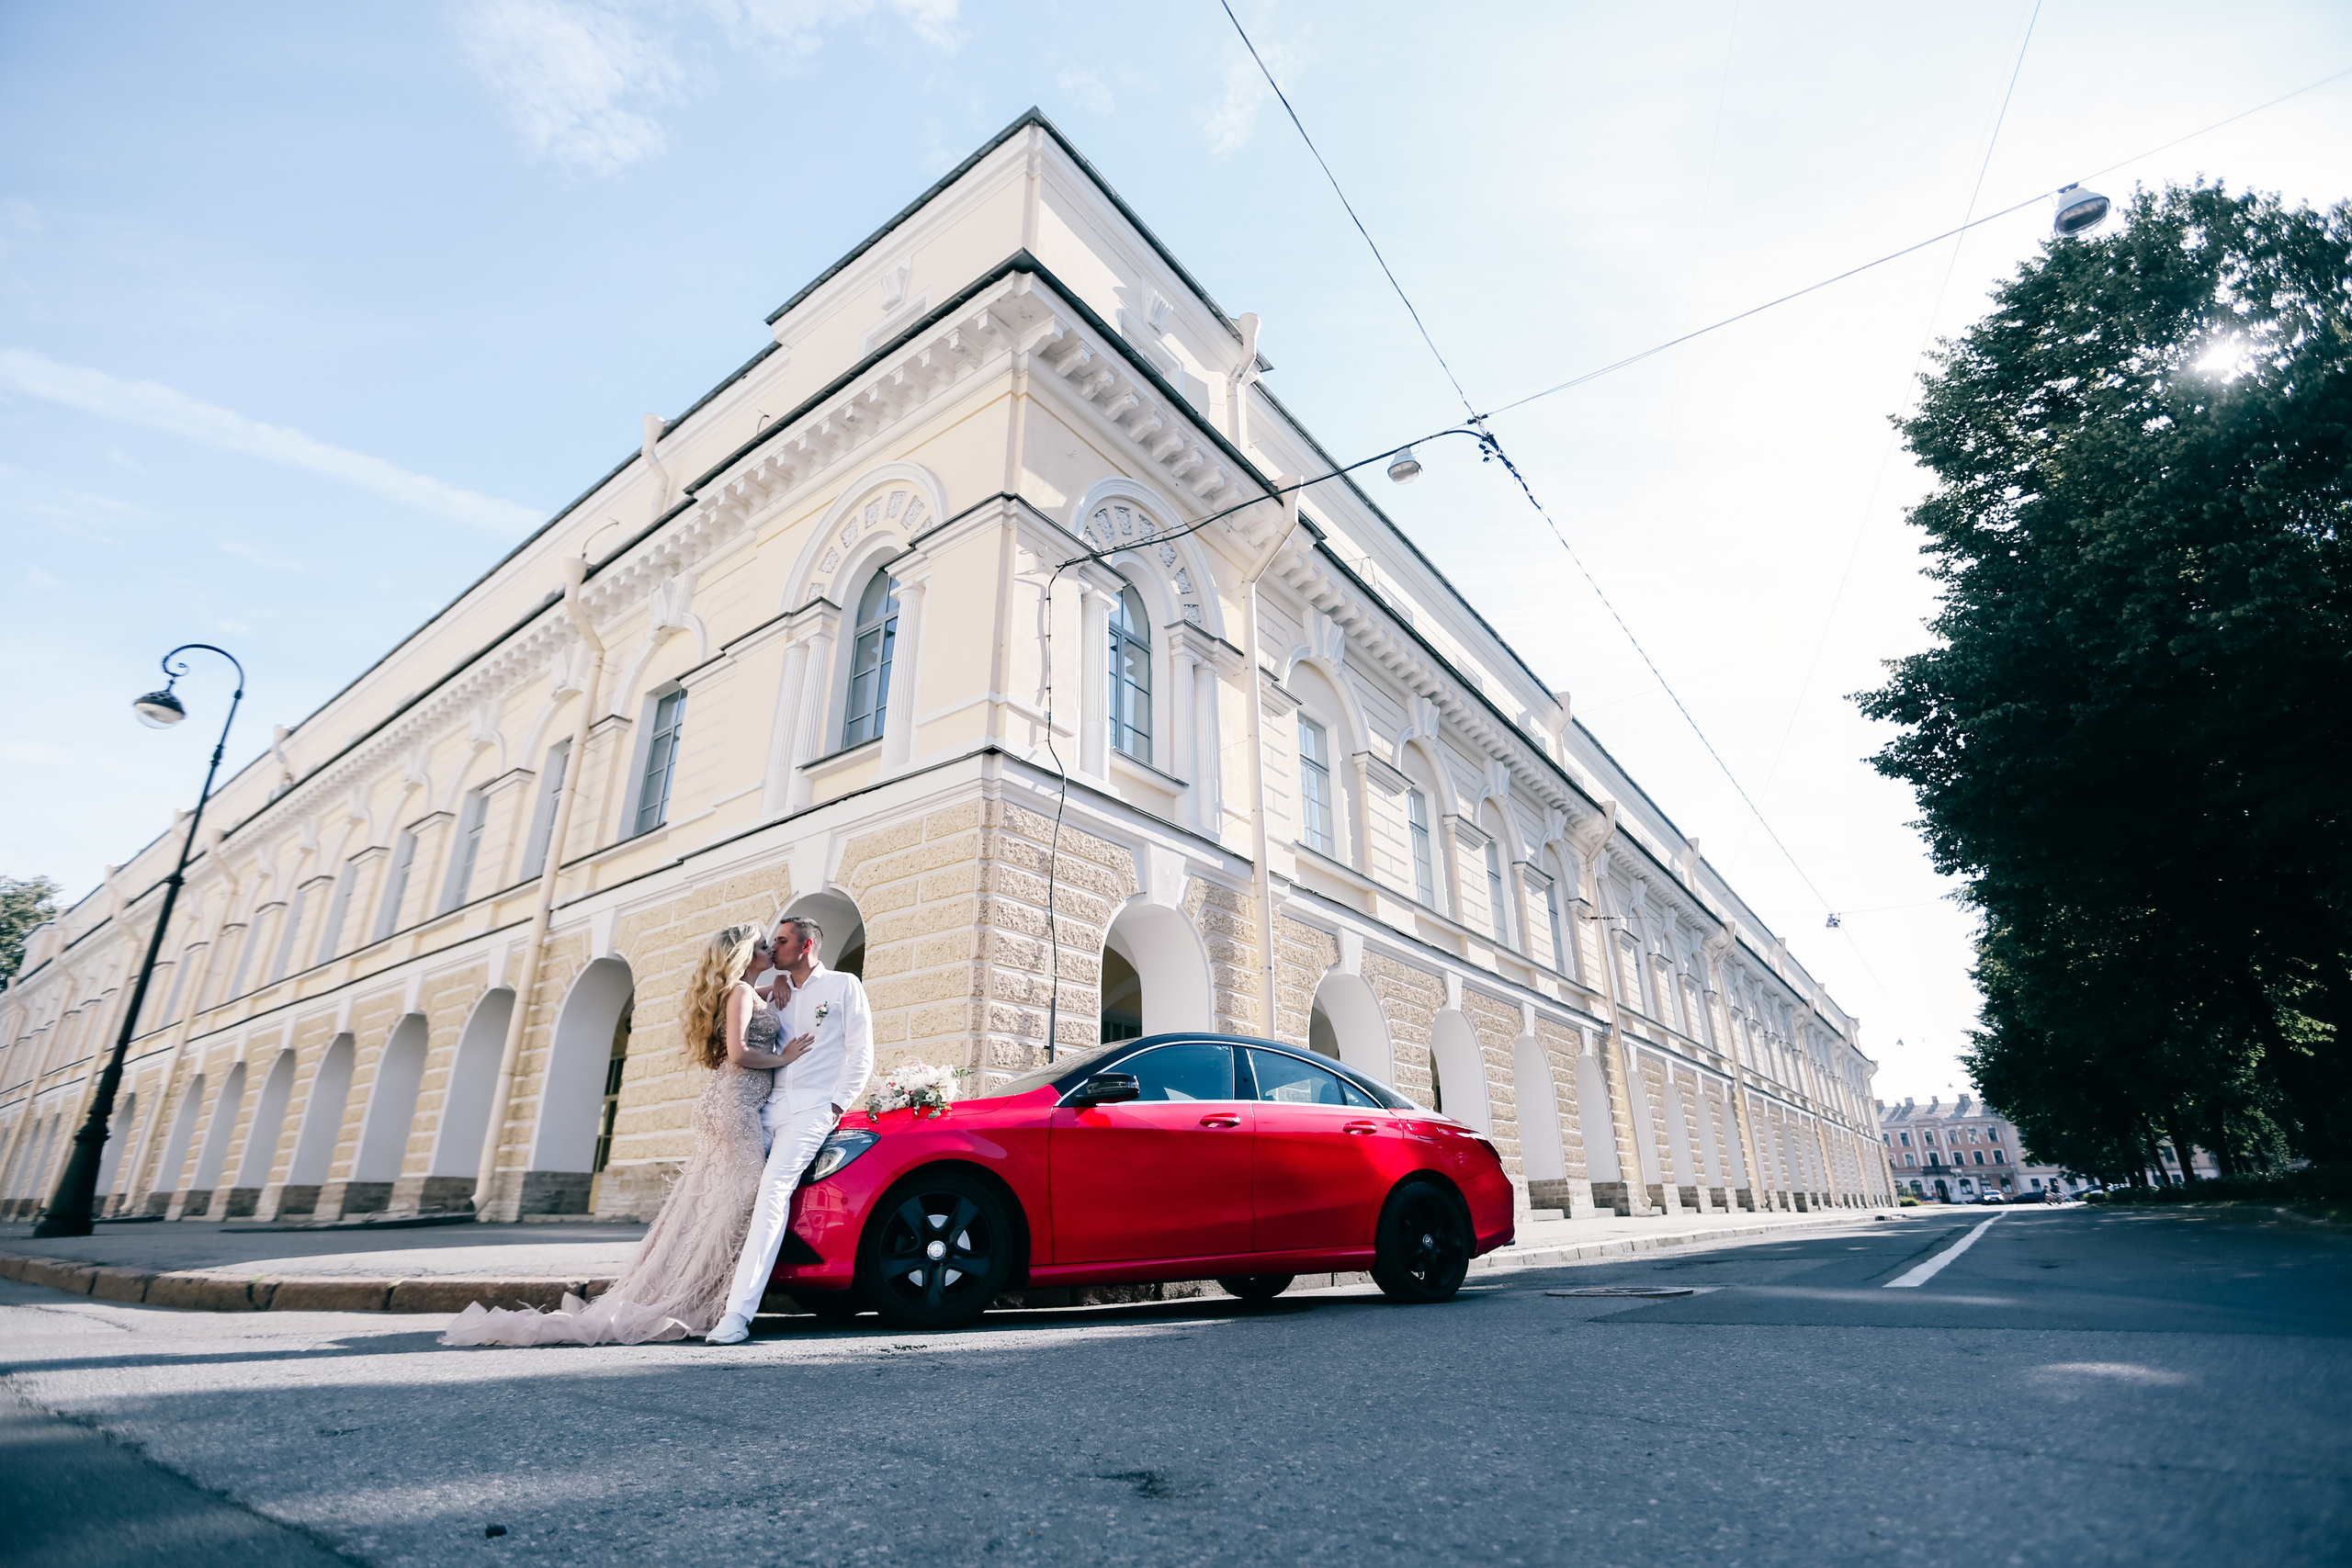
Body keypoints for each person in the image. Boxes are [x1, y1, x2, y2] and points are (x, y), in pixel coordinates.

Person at [440, 923, 810, 1347]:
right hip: (735, 1105)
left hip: (726, 1104)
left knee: (717, 1201)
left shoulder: (743, 992)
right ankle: (702, 1297)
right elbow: (742, 1052)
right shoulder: (742, 994)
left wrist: (780, 981)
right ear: (744, 956)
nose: (769, 950)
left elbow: (759, 1006)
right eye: (762, 946)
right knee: (745, 1195)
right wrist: (785, 1056)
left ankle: (697, 1290)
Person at [706, 914, 874, 1345]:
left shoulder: (842, 986)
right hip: (767, 1108)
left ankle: (736, 1315)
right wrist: (772, 986)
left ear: (806, 947)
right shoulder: (775, 991)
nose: (772, 947)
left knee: (772, 1193)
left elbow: (860, 1050)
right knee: (733, 1192)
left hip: (812, 1111)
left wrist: (836, 1105)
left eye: (780, 941)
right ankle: (702, 1293)